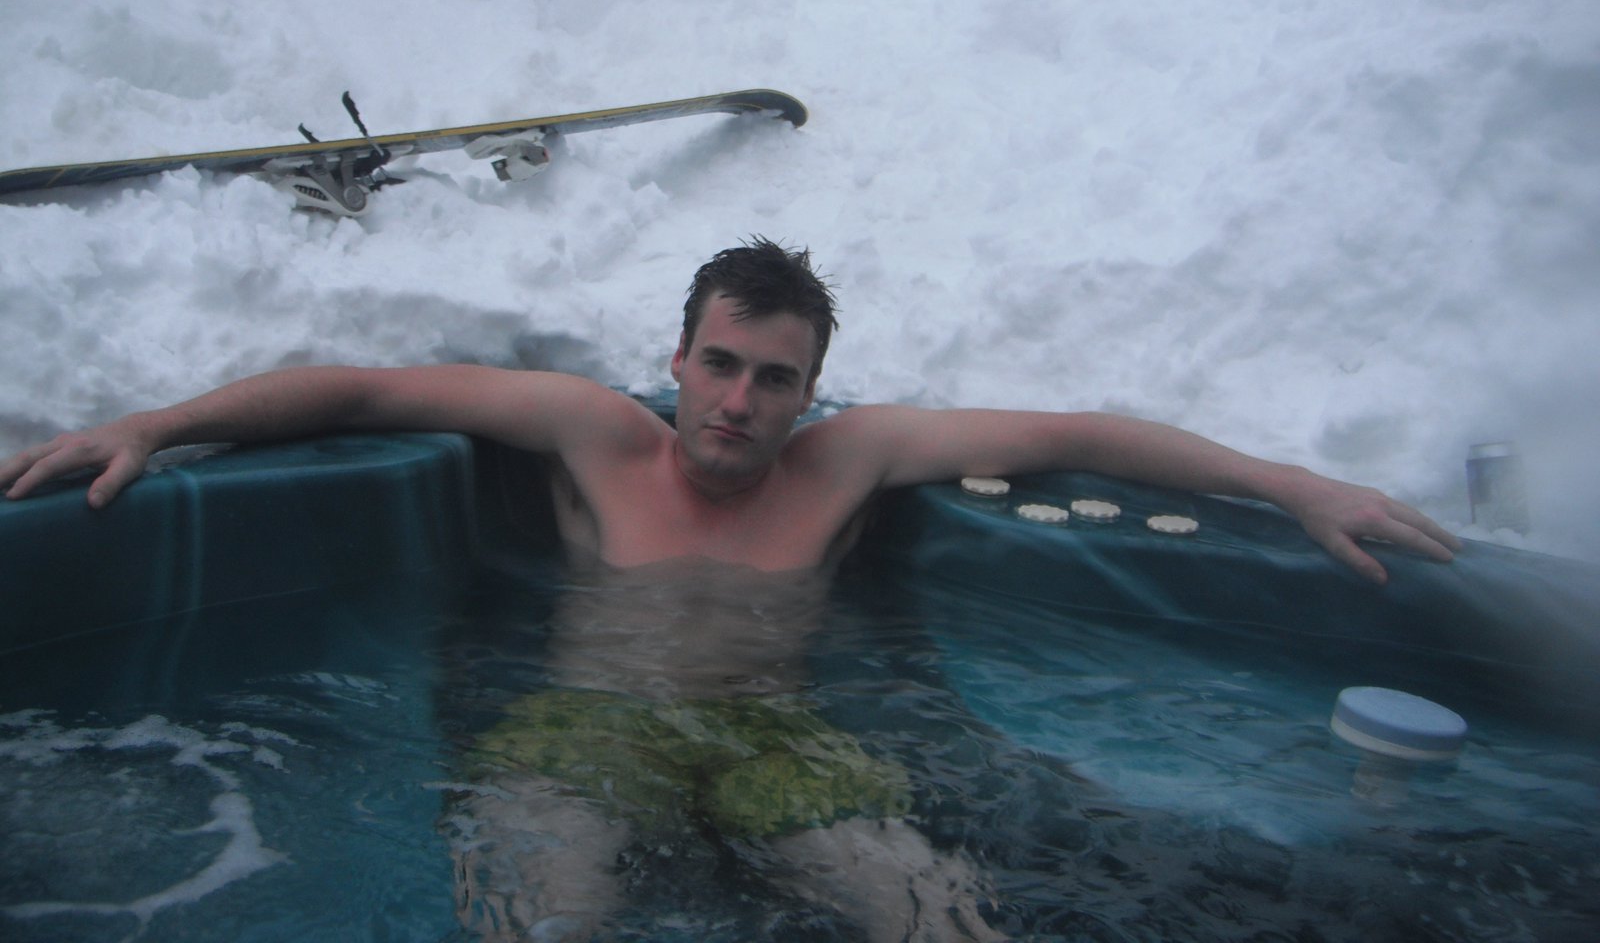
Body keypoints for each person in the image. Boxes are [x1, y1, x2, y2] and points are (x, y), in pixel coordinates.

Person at [0, 238, 1459, 940]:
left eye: (778, 377)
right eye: (721, 363)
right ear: (680, 354)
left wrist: (1302, 487)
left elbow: (1081, 437)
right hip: (588, 732)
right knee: (544, 926)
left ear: (813, 388)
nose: (743, 402)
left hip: (782, 746)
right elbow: (367, 386)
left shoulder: (849, 464)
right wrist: (160, 425)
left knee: (944, 930)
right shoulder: (592, 432)